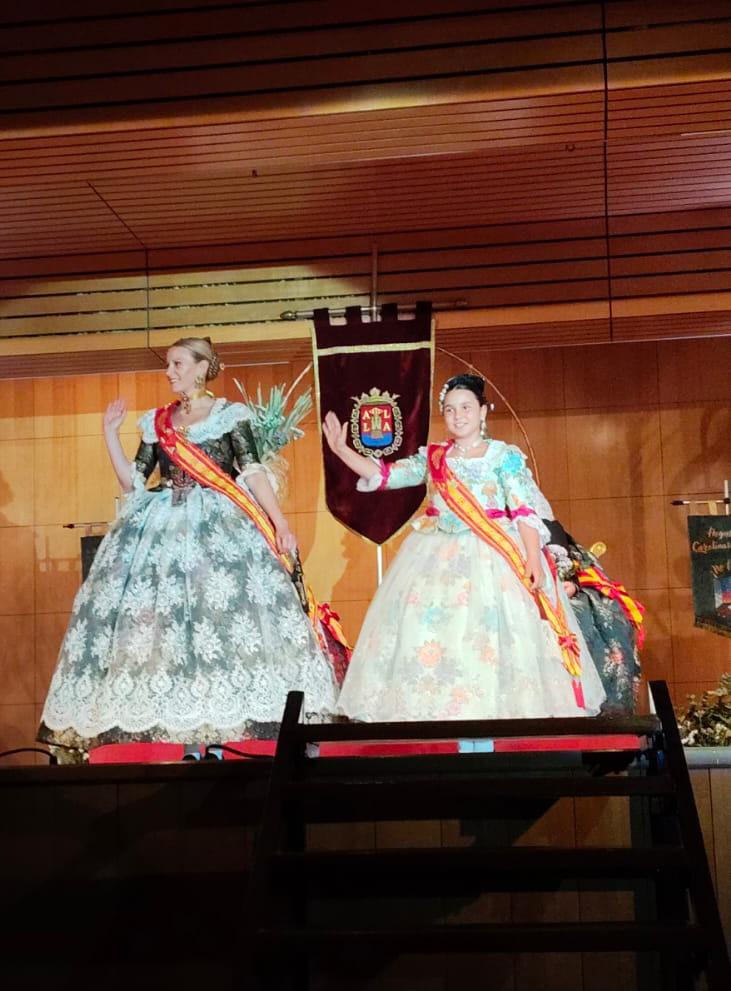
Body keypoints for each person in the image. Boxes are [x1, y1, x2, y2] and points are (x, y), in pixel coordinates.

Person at [38, 337, 338, 761]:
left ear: (201, 367)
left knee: (218, 629)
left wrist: (280, 522)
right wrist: (109, 434)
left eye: (178, 363)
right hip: (163, 529)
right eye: (168, 365)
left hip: (219, 528)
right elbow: (133, 482)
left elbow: (252, 472)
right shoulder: (157, 421)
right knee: (173, 635)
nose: (169, 372)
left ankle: (219, 738)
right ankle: (190, 743)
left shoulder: (230, 416)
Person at [322, 374, 605, 722]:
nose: (458, 416)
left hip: (494, 557)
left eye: (466, 408)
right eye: (450, 409)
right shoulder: (435, 457)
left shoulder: (503, 457)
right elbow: (386, 475)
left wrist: (533, 556)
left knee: (493, 634)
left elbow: (523, 511)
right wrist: (341, 450)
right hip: (435, 557)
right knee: (431, 632)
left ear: (483, 411)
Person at [545, 519, 643, 714]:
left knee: (597, 617)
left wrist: (573, 584)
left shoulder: (547, 525)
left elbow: (580, 572)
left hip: (569, 595)